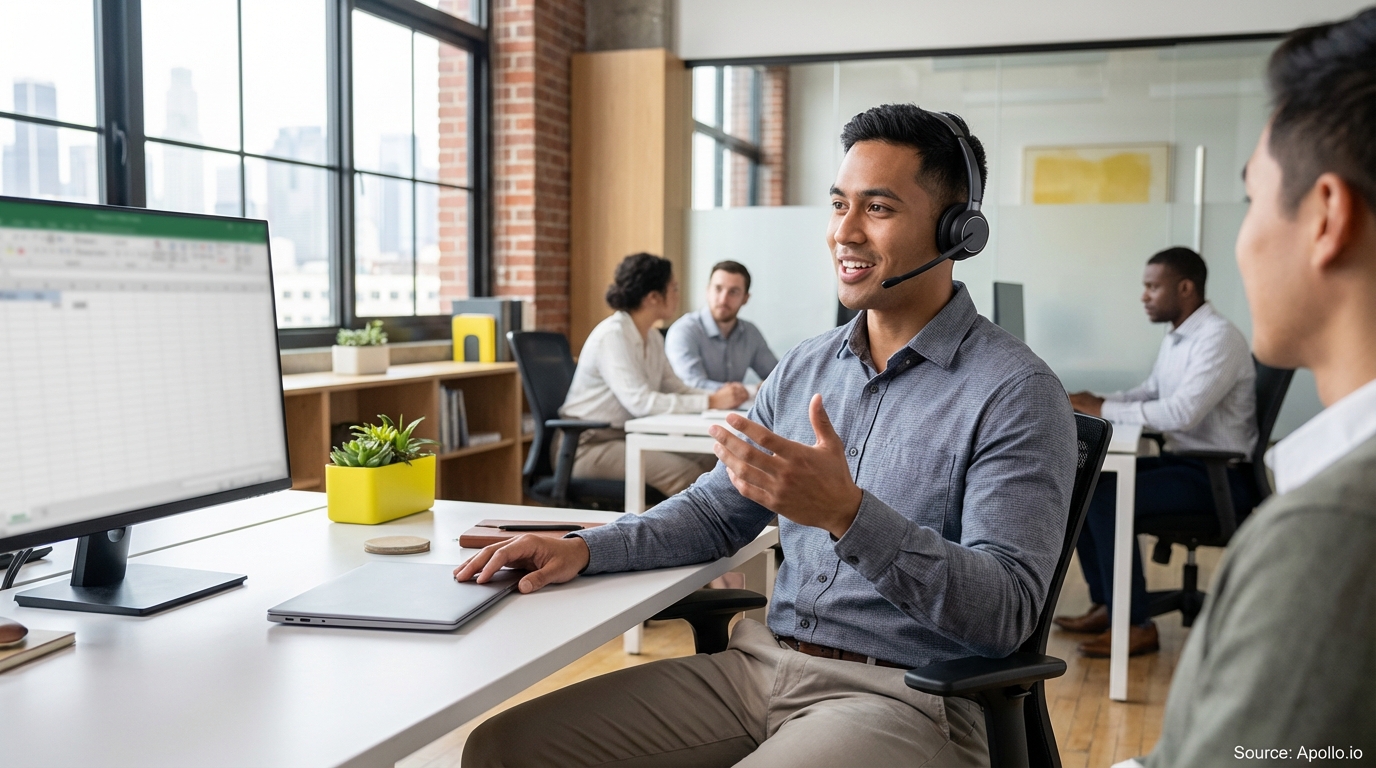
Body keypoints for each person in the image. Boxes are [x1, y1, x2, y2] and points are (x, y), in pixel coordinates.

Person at [456, 104, 1077, 767]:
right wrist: (582, 548)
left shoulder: (1015, 392)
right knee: (503, 750)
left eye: (879, 209)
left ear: (958, 231)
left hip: (906, 698)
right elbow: (715, 512)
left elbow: (1006, 611)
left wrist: (848, 515)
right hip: (759, 669)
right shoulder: (806, 367)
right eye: (839, 204)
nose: (845, 231)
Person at [1128, 10, 1376, 766]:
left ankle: (1126, 617)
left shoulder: (1335, 537)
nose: (1243, 240)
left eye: (1250, 200)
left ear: (1326, 216)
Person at [1060, 247, 1256, 658]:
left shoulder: (1218, 338)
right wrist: (1096, 400)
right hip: (1187, 464)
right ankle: (1108, 605)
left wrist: (1103, 409)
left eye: (1152, 287)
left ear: (1185, 288)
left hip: (1219, 479)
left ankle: (1134, 624)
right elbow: (1152, 392)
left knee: (1108, 496)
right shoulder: (1180, 335)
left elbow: (1182, 413)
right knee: (1087, 482)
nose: (1144, 296)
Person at [558, 252, 749, 498]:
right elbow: (641, 403)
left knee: (714, 458)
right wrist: (712, 401)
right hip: (587, 447)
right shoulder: (613, 335)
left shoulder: (653, 337)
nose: (678, 296)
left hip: (626, 438)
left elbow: (677, 388)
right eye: (674, 289)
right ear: (653, 298)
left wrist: (720, 397)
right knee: (686, 474)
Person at [665, 260, 779, 391]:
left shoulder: (750, 333)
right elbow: (691, 386)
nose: (723, 299)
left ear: (745, 298)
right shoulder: (684, 331)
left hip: (737, 410)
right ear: (708, 291)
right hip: (693, 411)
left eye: (733, 292)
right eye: (718, 289)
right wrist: (750, 390)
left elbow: (778, 376)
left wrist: (766, 387)